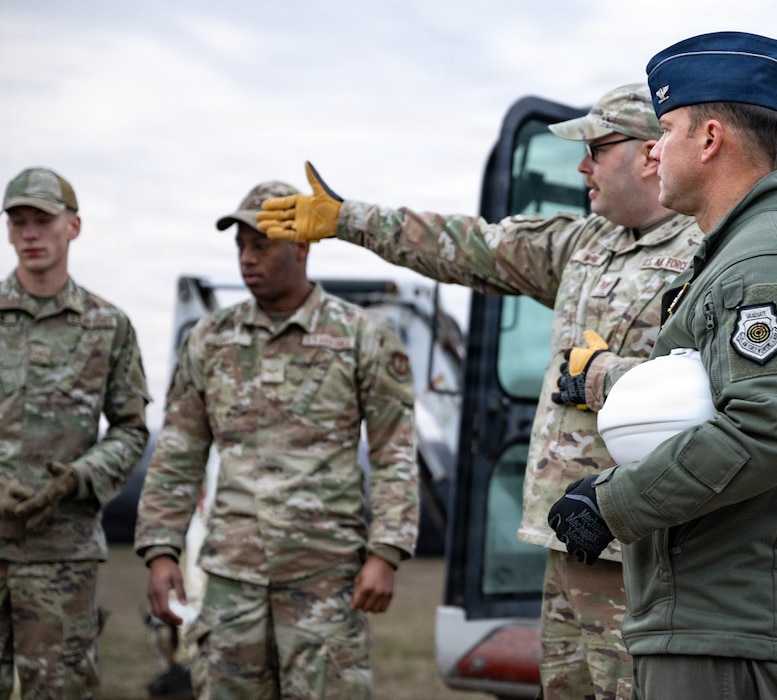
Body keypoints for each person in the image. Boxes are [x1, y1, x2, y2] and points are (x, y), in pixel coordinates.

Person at [257, 84, 702, 699]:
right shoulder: (586, 246)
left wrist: (606, 375)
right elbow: (468, 245)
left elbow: (711, 397)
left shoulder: (707, 255)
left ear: (652, 154)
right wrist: (347, 220)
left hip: (641, 547)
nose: (583, 166)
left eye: (597, 149)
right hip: (569, 537)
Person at [548, 32, 777, 700]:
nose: (653, 152)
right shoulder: (736, 255)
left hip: (732, 634)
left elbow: (768, 430)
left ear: (710, 139)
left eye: (665, 131)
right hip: (714, 623)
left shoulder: (766, 261)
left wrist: (615, 503)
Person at [133, 181, 419, 699]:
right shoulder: (209, 339)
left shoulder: (361, 337)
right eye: (240, 246)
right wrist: (161, 550)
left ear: (302, 246)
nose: (247, 259)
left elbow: (394, 450)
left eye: (261, 245)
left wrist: (386, 551)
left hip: (325, 579)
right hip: (230, 579)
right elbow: (178, 451)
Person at [0, 167, 151, 698]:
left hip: (60, 555)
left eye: (42, 220)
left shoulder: (108, 326)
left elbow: (131, 430)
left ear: (73, 227)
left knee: (61, 691)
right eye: (18, 222)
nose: (29, 234)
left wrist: (77, 479)